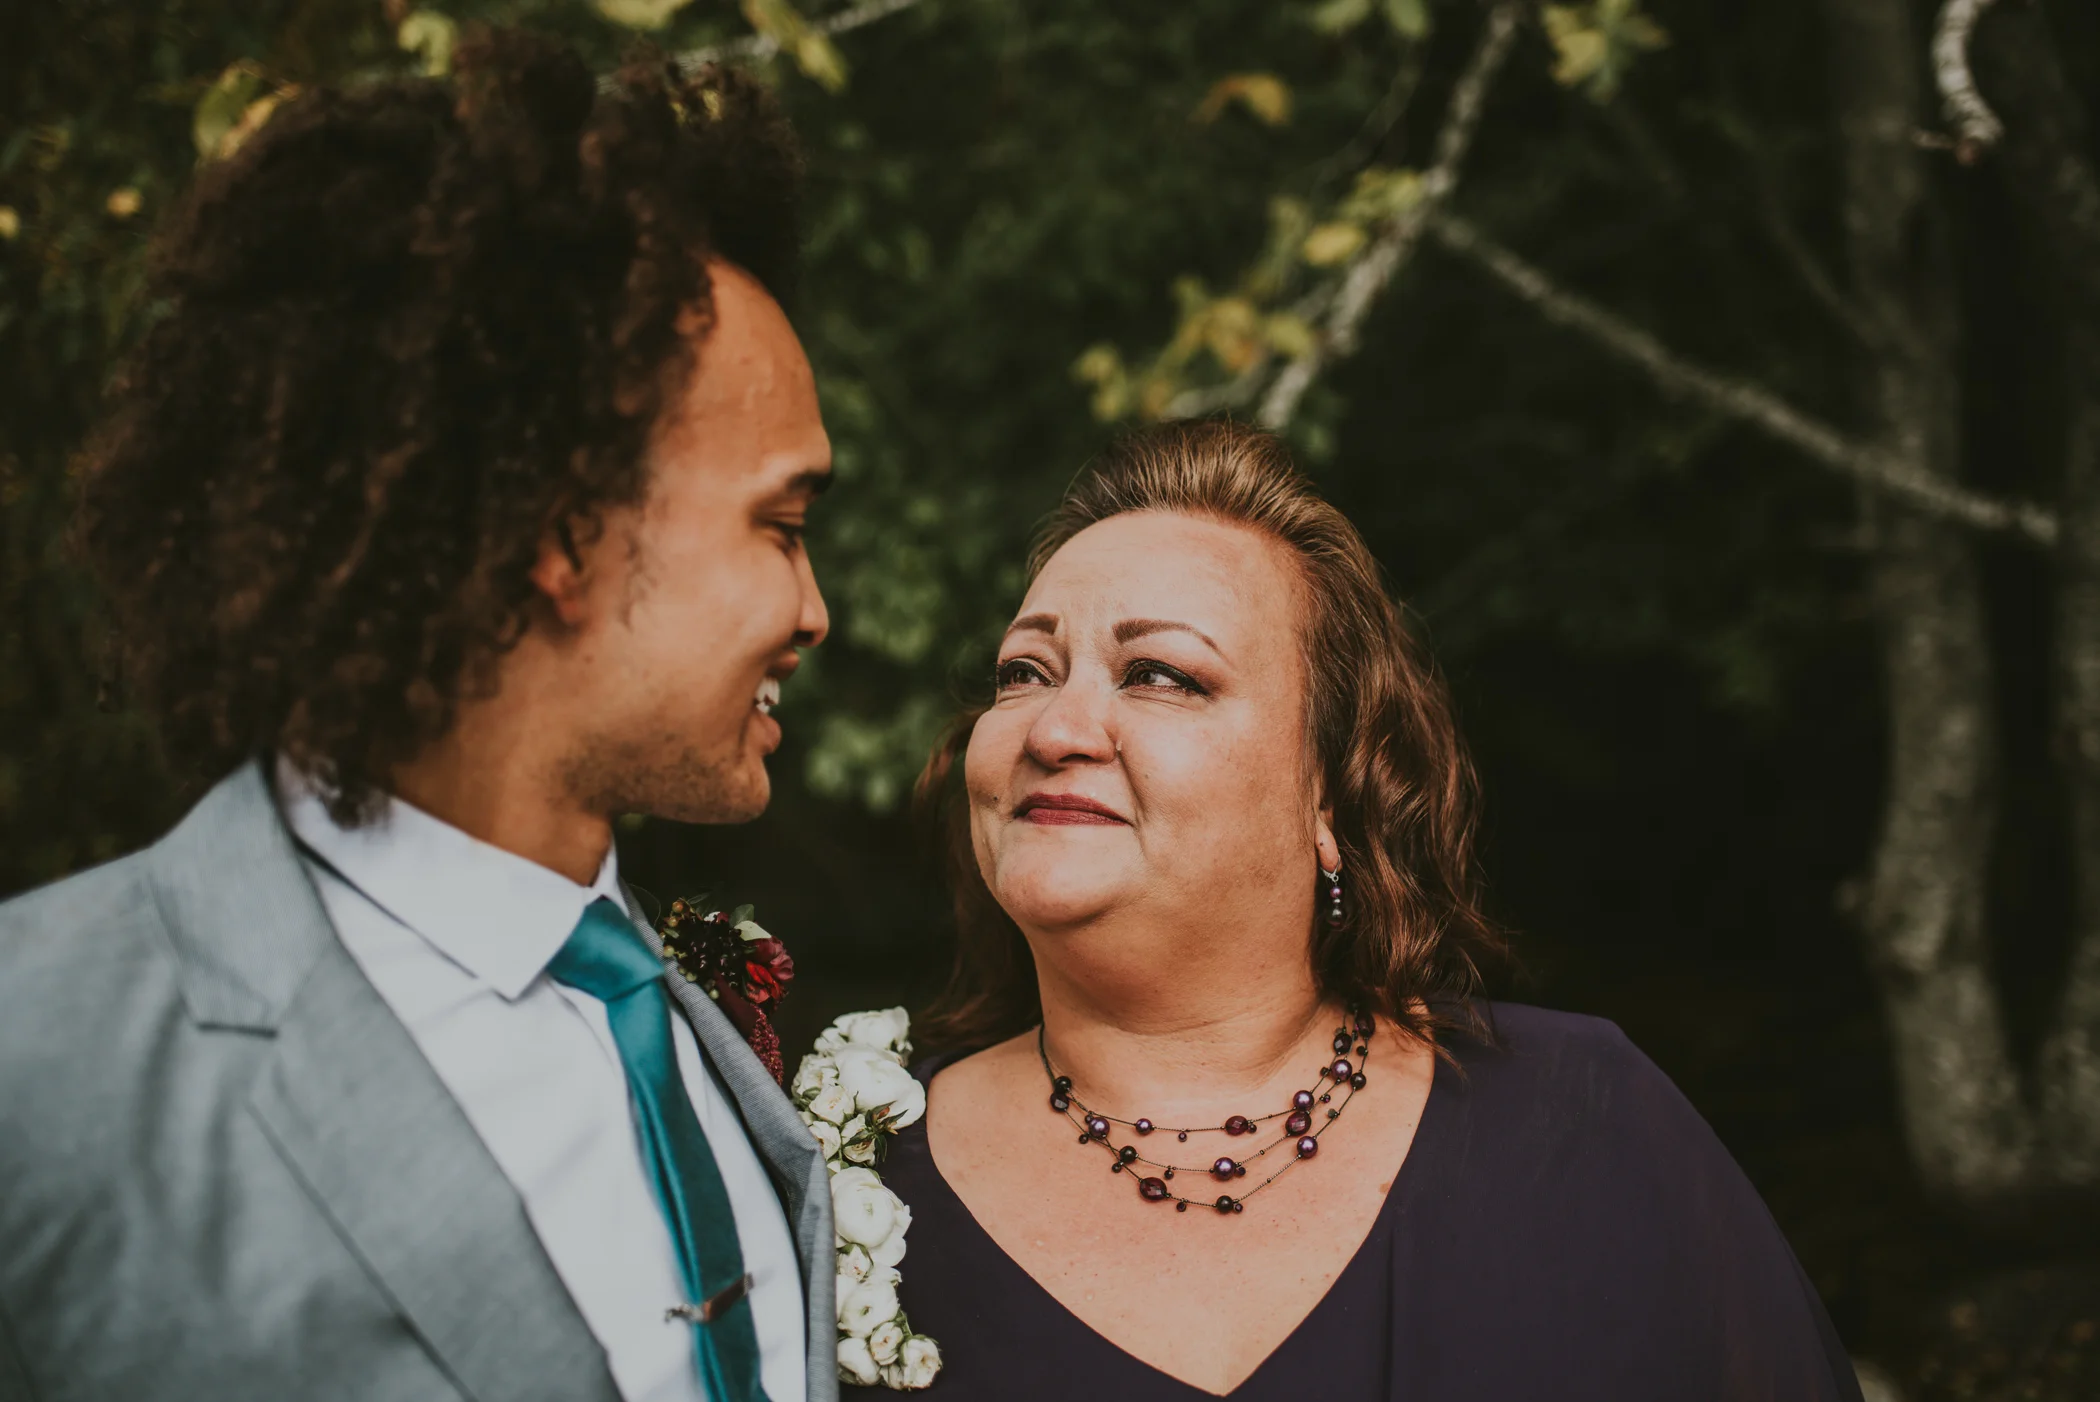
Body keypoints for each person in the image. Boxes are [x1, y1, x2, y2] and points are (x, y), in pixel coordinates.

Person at [0, 32, 838, 1402]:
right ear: (563, 535)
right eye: (782, 526)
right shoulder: (38, 1058)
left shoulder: (690, 1032)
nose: (814, 610)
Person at [863, 420, 1863, 1400]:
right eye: (1024, 673)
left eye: (1160, 674)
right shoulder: (847, 1182)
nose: (1056, 724)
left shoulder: (1592, 1125)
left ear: (1331, 795)